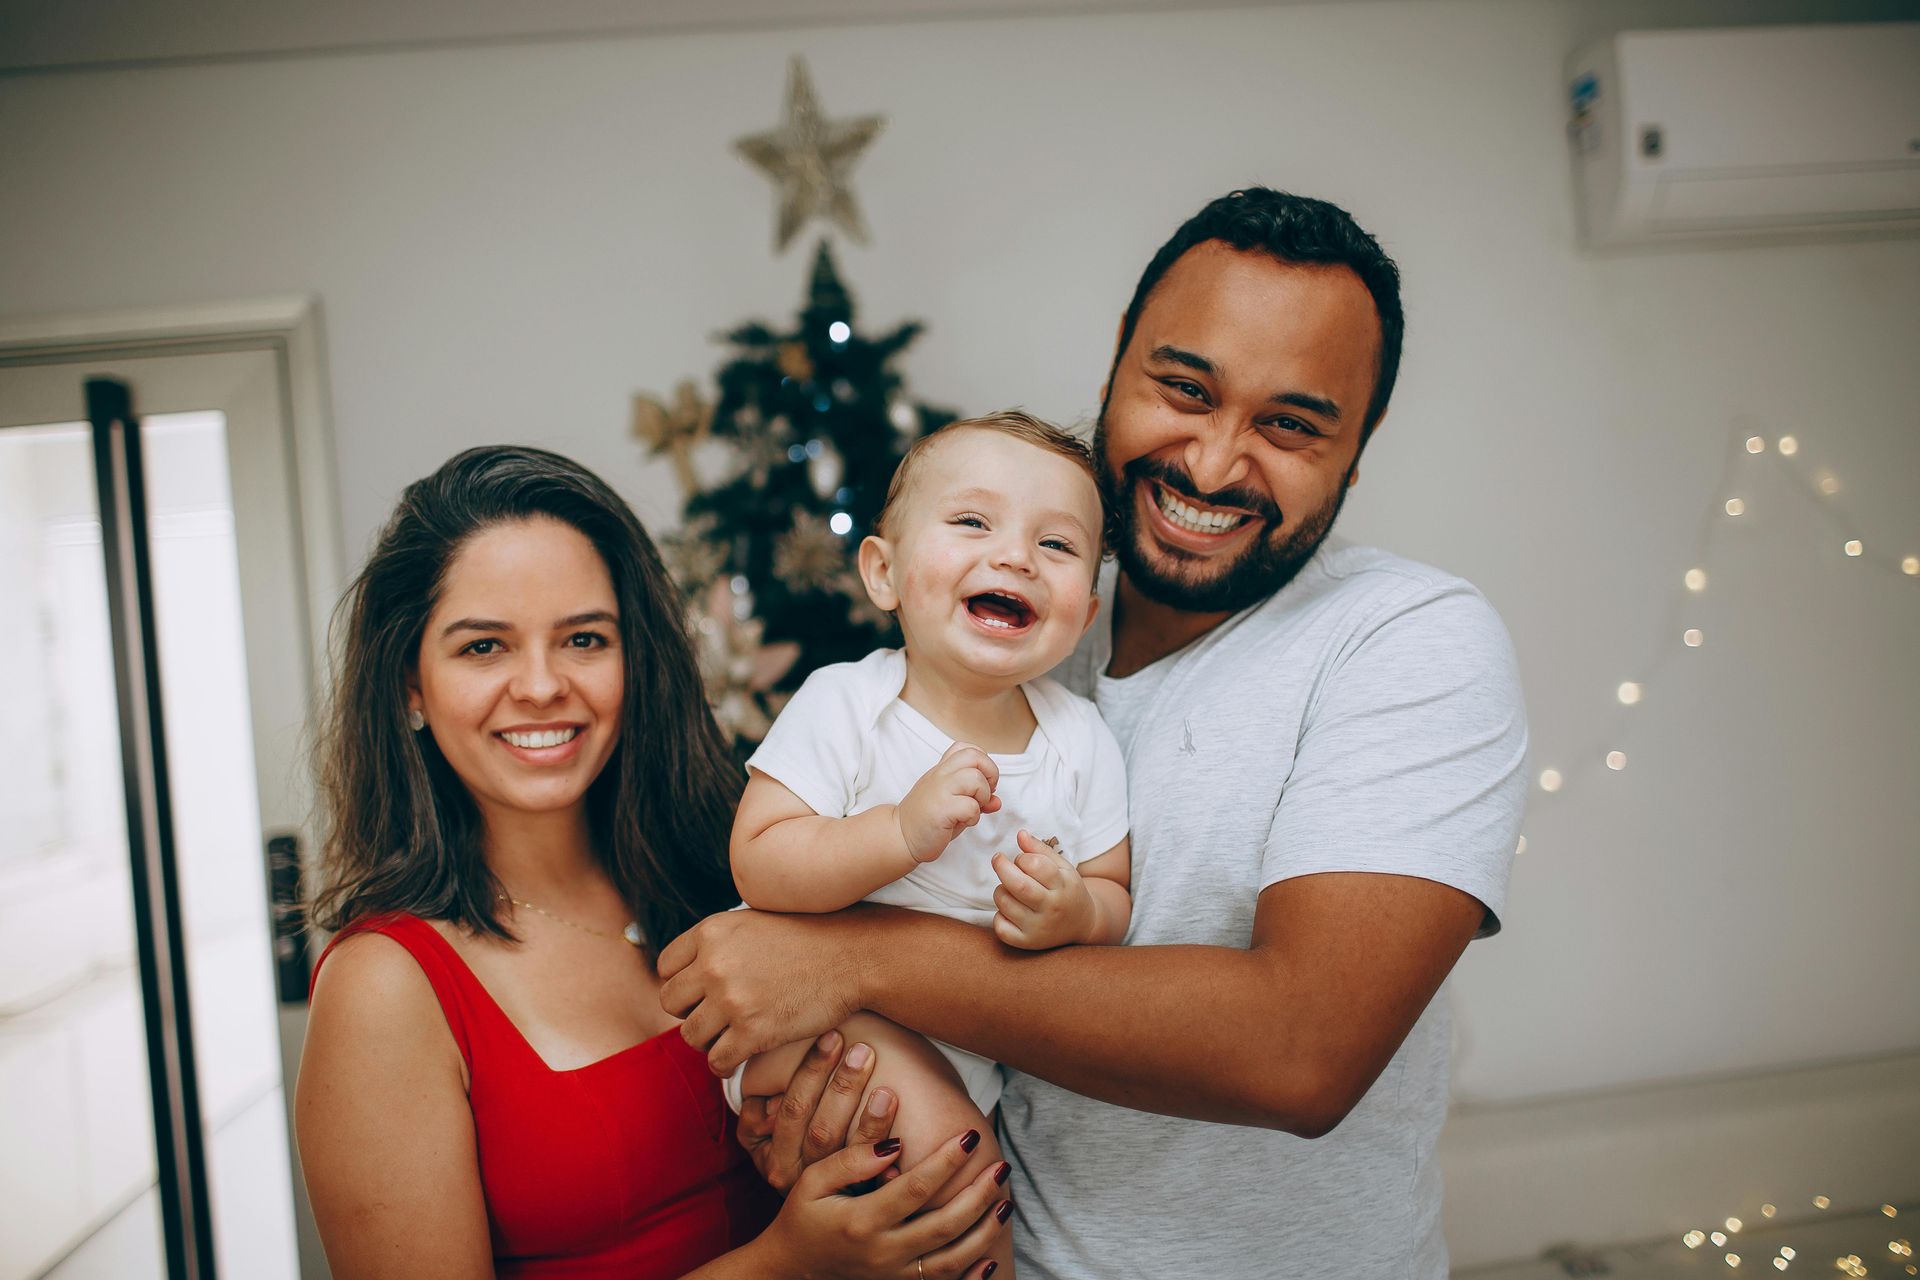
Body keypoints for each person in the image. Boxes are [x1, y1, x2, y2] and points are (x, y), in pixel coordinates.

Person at [658, 188, 1530, 1279]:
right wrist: (828, 1120)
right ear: (1118, 360)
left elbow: (1301, 1050)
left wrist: (841, 959)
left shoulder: (1407, 641)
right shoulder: (1019, 630)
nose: (1213, 464)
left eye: (1291, 424)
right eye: (1183, 389)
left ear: (1360, 445)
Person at [294, 445, 1008, 1279]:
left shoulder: (738, 867)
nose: (540, 685)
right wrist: (787, 1264)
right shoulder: (385, 986)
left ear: (636, 660)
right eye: (483, 647)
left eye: (584, 639)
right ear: (410, 684)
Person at [728, 412, 1134, 1279]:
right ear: (883, 572)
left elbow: (1114, 896)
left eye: (1057, 545)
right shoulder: (846, 704)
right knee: (965, 1189)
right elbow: (759, 858)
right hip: (818, 1018)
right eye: (974, 522)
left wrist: (1075, 911)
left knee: (904, 1237)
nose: (1017, 556)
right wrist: (899, 833)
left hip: (967, 1054)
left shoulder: (1082, 740)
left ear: (1084, 611)